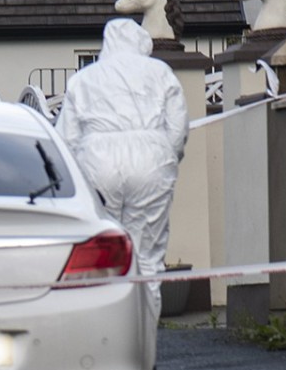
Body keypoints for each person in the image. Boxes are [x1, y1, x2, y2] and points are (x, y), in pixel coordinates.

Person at [55, 19, 189, 323]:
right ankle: (146, 335)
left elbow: (66, 139)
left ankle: (108, 330)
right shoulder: (161, 73)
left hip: (98, 160)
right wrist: (166, 156)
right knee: (148, 256)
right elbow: (178, 128)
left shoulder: (84, 78)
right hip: (151, 160)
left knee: (103, 251)